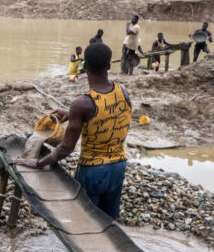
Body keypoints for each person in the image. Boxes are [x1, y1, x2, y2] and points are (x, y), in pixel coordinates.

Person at [14, 43, 132, 220]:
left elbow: (66, 148)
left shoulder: (82, 103)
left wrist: (38, 163)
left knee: (85, 221)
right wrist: (71, 115)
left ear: (84, 68)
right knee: (108, 223)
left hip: (93, 170)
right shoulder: (123, 91)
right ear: (109, 66)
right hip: (118, 166)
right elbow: (108, 113)